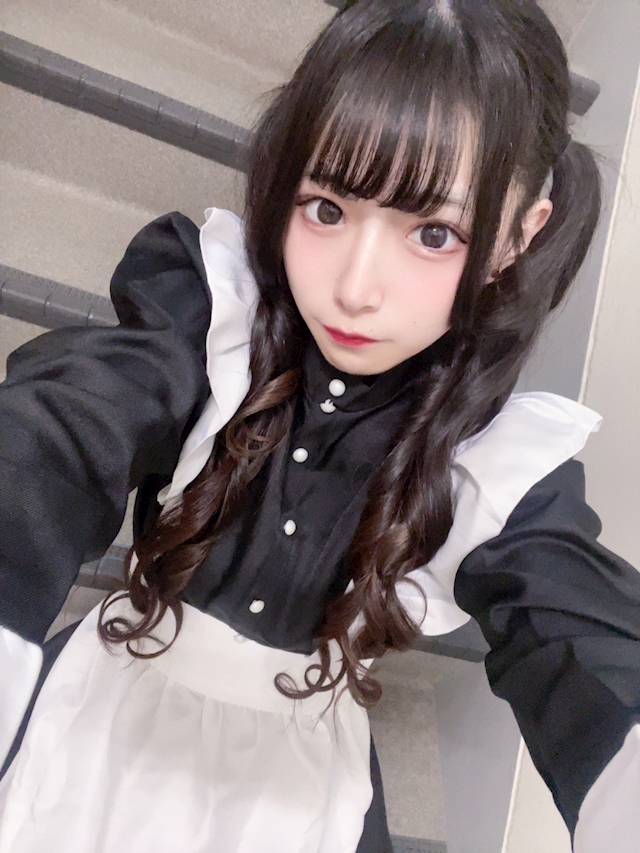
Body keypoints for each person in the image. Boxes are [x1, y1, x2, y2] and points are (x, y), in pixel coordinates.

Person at [0, 1, 638, 851]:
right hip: (115, 704)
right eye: (327, 208)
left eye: (434, 233)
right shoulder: (210, 314)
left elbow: (578, 634)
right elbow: (60, 430)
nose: (354, 288)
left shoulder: (493, 461)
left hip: (298, 777)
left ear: (518, 237)